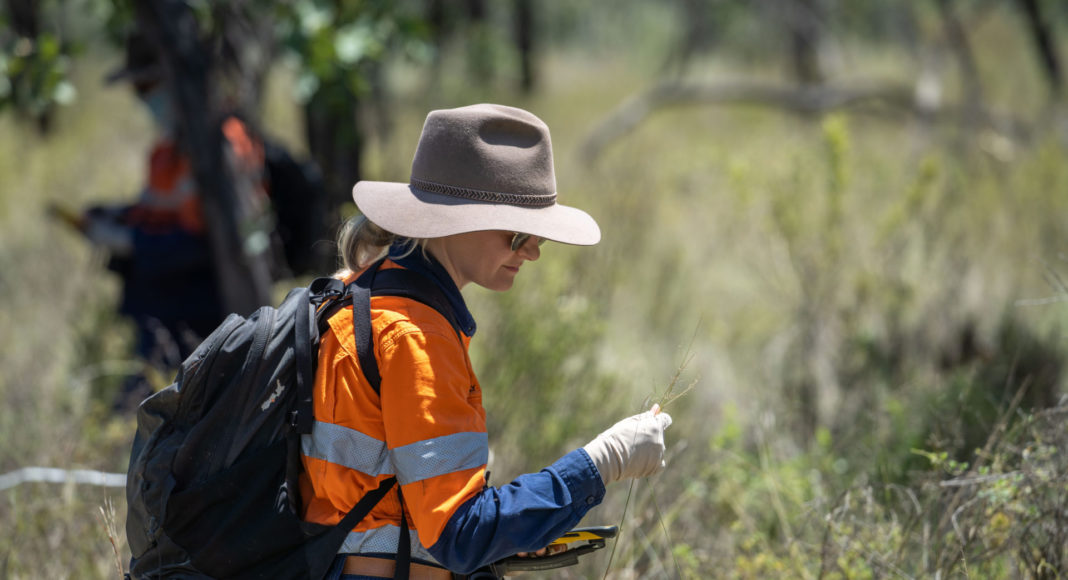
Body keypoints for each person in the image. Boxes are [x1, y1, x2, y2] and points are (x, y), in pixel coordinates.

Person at [299, 103, 674, 579]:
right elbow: (461, 535)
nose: (534, 251)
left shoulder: (363, 292)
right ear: (458, 221)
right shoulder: (416, 337)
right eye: (519, 233)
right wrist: (602, 462)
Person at [79, 32, 271, 409]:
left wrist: (130, 241)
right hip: (161, 301)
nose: (143, 96)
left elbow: (211, 239)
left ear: (175, 78)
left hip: (203, 305)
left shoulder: (224, 145)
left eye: (148, 84)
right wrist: (116, 218)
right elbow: (158, 210)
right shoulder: (169, 148)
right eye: (137, 87)